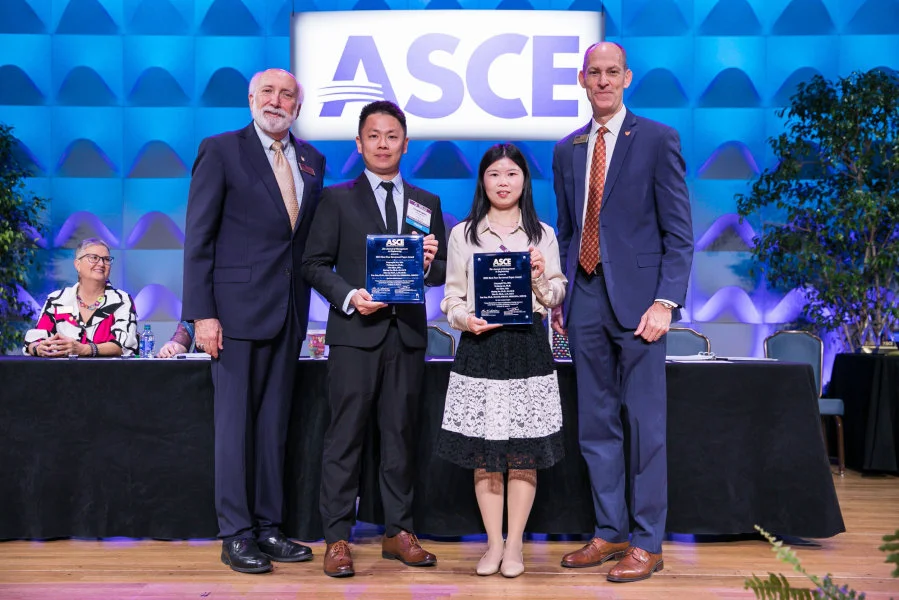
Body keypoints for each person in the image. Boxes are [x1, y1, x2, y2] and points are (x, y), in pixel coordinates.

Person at [552, 42, 693, 582]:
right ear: (582, 80)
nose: (604, 80)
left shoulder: (657, 139)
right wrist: (561, 296)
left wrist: (665, 301)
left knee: (645, 426)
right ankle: (609, 532)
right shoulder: (567, 149)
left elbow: (679, 234)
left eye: (613, 72)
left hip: (641, 307)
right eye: (595, 73)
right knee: (595, 425)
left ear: (627, 78)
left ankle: (646, 541)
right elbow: (567, 231)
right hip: (584, 298)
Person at [182, 68, 326, 574]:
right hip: (233, 315)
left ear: (298, 106)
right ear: (250, 98)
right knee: (235, 428)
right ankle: (236, 533)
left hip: (289, 310)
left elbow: (307, 242)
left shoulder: (312, 160)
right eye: (267, 91)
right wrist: (202, 313)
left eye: (287, 94)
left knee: (273, 428)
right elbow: (198, 237)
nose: (277, 100)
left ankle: (268, 527)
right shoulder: (220, 150)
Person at [302, 100, 446, 578]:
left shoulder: (427, 202)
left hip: (406, 336)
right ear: (359, 143)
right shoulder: (335, 199)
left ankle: (398, 531)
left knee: (401, 437)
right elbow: (314, 265)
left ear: (406, 143)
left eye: (392, 136)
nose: (383, 144)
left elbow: (441, 268)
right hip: (354, 336)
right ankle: (338, 537)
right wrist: (348, 297)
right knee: (345, 438)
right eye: (374, 135)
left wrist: (428, 264)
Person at [436, 143, 567, 578]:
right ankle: (492, 545)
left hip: (528, 345)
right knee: (486, 454)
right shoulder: (464, 234)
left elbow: (555, 293)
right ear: (483, 181)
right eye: (495, 174)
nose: (503, 182)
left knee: (524, 452)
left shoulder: (542, 233)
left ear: (524, 181)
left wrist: (539, 278)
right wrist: (464, 320)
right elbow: (450, 296)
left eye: (512, 174)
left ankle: (515, 547)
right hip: (480, 348)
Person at [24, 238, 138, 358]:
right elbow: (34, 340)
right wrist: (38, 348)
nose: (101, 264)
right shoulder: (57, 300)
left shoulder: (121, 301)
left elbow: (124, 345)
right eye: (94, 258)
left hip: (107, 373)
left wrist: (84, 349)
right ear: (77, 264)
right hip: (62, 373)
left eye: (106, 259)